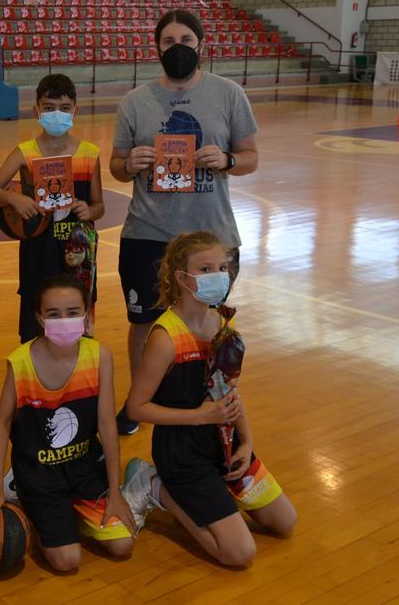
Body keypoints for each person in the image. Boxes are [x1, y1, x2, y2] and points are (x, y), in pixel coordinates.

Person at [110, 8, 260, 435]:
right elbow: (116, 166)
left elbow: (250, 157)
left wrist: (228, 159)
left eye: (186, 41)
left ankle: (208, 398)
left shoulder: (228, 94)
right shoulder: (135, 101)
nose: (178, 48)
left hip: (211, 238)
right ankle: (141, 401)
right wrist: (130, 163)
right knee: (143, 325)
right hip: (148, 234)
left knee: (208, 324)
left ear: (201, 44)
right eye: (169, 41)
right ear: (156, 48)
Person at [122, 231, 296, 566]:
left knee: (285, 522)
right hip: (183, 452)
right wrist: (200, 416)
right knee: (239, 554)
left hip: (223, 442)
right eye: (205, 269)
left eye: (222, 266)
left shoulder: (221, 322)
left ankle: (216, 493)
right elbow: (136, 407)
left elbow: (228, 389)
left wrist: (246, 441)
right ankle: (157, 487)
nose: (219, 275)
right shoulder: (165, 337)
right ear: (182, 278)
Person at [0, 273, 136, 572]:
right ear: (40, 317)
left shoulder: (99, 356)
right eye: (54, 314)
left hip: (84, 468)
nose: (64, 319)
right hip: (40, 473)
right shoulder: (21, 361)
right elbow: (2, 424)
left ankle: (79, 509)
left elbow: (107, 424)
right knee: (67, 561)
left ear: (87, 315)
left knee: (122, 545)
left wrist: (115, 491)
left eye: (73, 312)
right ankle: (19, 493)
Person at [0, 73, 105, 343]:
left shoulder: (89, 153)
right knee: (35, 323)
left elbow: (99, 206)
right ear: (36, 110)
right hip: (38, 248)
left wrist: (89, 211)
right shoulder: (25, 152)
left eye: (64, 108)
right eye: (48, 108)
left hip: (78, 251)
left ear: (75, 111)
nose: (56, 114)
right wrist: (14, 199)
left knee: (79, 321)